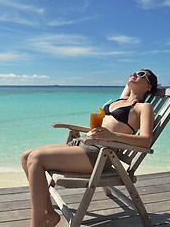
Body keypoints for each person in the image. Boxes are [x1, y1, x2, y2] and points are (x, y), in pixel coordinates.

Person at [21, 69, 158, 227]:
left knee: (36, 159)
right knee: (26, 156)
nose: (134, 74)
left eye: (141, 74)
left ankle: (36, 224)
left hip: (99, 154)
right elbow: (129, 88)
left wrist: (113, 136)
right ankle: (49, 215)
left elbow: (146, 141)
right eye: (133, 72)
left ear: (148, 86)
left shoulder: (143, 107)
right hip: (82, 143)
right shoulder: (121, 99)